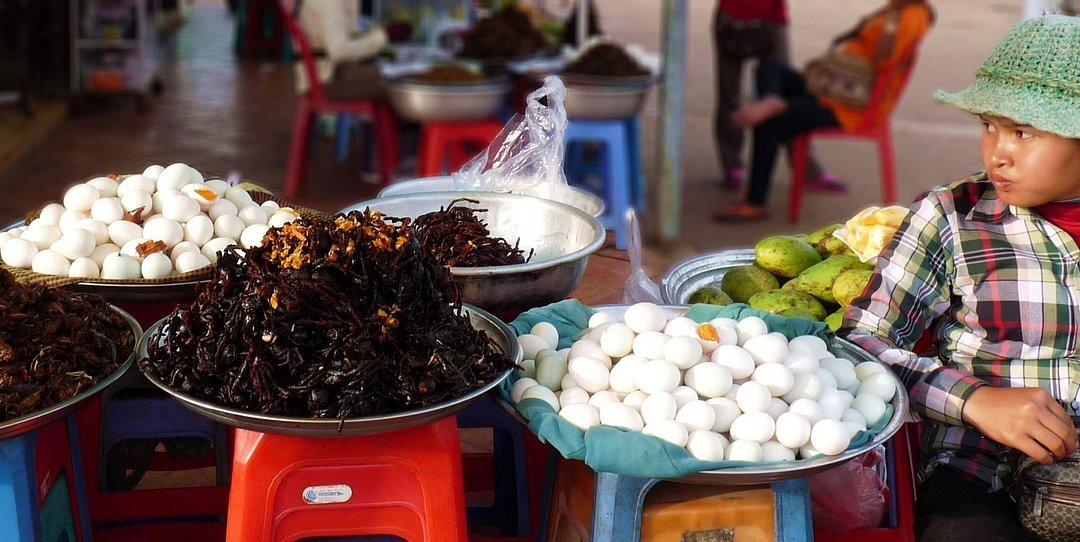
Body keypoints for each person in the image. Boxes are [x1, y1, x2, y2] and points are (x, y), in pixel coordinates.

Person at [841, 15, 1080, 541]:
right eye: (988, 125)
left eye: (1025, 131)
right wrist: (973, 400)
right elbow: (859, 344)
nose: (998, 151)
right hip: (978, 471)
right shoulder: (949, 215)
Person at [715, 0, 933, 222]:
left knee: (772, 123)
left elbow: (883, 59)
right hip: (834, 91)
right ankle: (773, 101)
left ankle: (755, 201)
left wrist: (890, 23)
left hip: (850, 106)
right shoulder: (897, 9)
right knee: (770, 69)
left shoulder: (911, 15)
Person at [712, 0, 836, 192]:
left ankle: (806, 169)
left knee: (784, 94)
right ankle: (732, 164)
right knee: (730, 96)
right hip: (732, 17)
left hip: (772, 17)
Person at [294, 0, 388, 101]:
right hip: (326, 80)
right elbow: (339, 52)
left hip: (331, 74)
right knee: (396, 90)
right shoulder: (331, 3)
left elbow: (350, 40)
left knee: (394, 78)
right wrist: (385, 37)